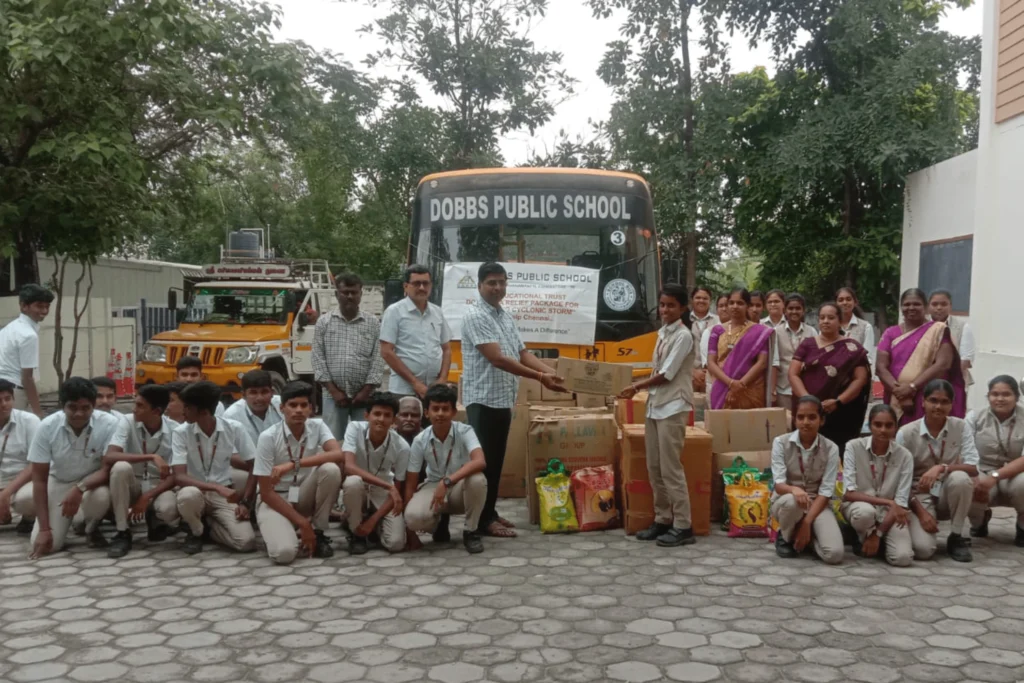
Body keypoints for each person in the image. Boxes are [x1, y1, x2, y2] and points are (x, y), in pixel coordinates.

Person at [460, 262, 566, 538]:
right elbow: (497, 358)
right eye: (491, 283)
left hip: (502, 399)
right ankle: (481, 521)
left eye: (502, 282)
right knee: (483, 463)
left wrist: (556, 373)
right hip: (482, 401)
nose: (497, 288)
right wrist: (541, 379)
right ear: (480, 285)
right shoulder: (475, 315)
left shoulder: (504, 316)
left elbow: (522, 352)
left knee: (496, 461)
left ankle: (490, 512)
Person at [618, 284, 696, 547]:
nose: (665, 310)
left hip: (673, 407)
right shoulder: (663, 333)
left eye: (671, 305)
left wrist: (635, 386)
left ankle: (683, 525)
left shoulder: (684, 336)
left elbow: (667, 374)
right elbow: (656, 369)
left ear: (683, 308)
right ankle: (663, 519)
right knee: (654, 467)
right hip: (655, 405)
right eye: (662, 304)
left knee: (671, 469)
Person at [26, 377, 129, 558]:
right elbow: (39, 479)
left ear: (93, 405)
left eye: (85, 408)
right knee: (48, 545)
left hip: (93, 484)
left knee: (101, 497)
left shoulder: (109, 424)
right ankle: (73, 521)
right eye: (72, 407)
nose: (79, 414)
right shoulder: (47, 427)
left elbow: (106, 470)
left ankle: (91, 527)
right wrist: (44, 529)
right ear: (62, 406)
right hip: (59, 481)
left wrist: (79, 488)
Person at [253, 381, 342, 563]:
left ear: (311, 408)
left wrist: (293, 464)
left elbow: (337, 453)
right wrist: (303, 523)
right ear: (282, 408)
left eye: (304, 405)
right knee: (284, 554)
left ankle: (318, 532)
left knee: (331, 469)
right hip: (275, 500)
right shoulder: (268, 437)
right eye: (293, 405)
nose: (299, 410)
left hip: (302, 495)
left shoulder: (317, 426)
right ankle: (297, 528)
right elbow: (266, 493)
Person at [170, 381, 257, 554]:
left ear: (203, 411)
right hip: (196, 492)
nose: (183, 412)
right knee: (188, 495)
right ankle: (195, 532)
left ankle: (209, 528)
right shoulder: (181, 432)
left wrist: (246, 502)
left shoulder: (234, 428)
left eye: (187, 407)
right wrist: (215, 487)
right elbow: (179, 477)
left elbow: (255, 466)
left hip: (222, 495)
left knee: (245, 542)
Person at [896, 379, 977, 562]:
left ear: (951, 405)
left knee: (961, 478)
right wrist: (921, 512)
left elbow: (973, 468)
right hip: (918, 495)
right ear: (922, 402)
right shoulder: (906, 433)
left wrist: (942, 467)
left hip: (948, 491)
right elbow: (899, 482)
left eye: (944, 402)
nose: (938, 406)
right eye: (933, 400)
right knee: (923, 550)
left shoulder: (960, 426)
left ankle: (956, 537)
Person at [404, 384, 488, 553]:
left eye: (445, 409)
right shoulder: (420, 440)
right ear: (427, 413)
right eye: (435, 409)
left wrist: (447, 481)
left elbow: (480, 461)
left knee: (478, 479)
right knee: (413, 518)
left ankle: (471, 531)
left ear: (453, 412)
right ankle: (439, 522)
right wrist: (409, 531)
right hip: (433, 486)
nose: (440, 414)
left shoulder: (465, 431)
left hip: (458, 487)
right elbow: (411, 482)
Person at [101, 384, 181, 558]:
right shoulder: (127, 421)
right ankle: (123, 532)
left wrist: (147, 496)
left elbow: (177, 475)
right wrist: (149, 457)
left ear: (156, 411)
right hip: (132, 483)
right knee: (121, 467)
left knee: (168, 509)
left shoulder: (176, 430)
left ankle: (156, 520)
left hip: (158, 485)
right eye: (135, 403)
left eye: (140, 405)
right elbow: (110, 456)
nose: (134, 409)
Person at [769, 396, 844, 564]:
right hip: (787, 502)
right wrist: (794, 489)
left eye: (812, 417)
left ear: (821, 420)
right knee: (791, 501)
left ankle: (806, 539)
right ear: (795, 420)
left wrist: (807, 522)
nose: (806, 422)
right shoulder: (781, 443)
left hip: (817, 504)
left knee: (835, 554)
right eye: (801, 417)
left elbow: (825, 492)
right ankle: (786, 537)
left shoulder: (831, 448)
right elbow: (779, 485)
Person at [789, 303, 870, 456]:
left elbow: (860, 379)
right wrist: (807, 399)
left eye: (831, 318)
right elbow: (793, 374)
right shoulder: (807, 344)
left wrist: (838, 401)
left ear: (840, 321)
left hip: (839, 412)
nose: (825, 321)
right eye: (822, 317)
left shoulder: (852, 348)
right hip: (808, 411)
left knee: (837, 451)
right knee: (805, 450)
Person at [877, 288, 966, 426]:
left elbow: (943, 364)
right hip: (896, 397)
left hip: (927, 396)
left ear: (925, 307)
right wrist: (900, 393)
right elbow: (881, 367)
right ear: (901, 308)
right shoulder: (891, 333)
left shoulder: (938, 330)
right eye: (906, 304)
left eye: (916, 304)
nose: (911, 307)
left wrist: (912, 387)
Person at [312, 273, 385, 438]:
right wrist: (334, 391)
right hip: (332, 396)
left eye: (354, 292)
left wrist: (366, 391)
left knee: (364, 441)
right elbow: (318, 358)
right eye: (345, 292)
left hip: (365, 396)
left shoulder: (373, 323)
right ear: (337, 294)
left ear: (361, 294)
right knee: (333, 442)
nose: (350, 296)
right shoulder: (324, 322)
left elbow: (379, 359)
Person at [841, 405, 914, 566]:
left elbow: (900, 502)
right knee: (864, 513)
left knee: (902, 558)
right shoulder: (853, 447)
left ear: (896, 427)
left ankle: (874, 540)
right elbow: (849, 493)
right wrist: (888, 502)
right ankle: (860, 536)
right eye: (878, 424)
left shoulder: (905, 456)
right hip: (859, 507)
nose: (883, 430)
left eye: (889, 425)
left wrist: (878, 534)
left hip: (890, 514)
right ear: (869, 425)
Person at [340, 392, 409, 555]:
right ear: (366, 415)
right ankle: (356, 534)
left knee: (396, 544)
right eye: (376, 414)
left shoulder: (402, 446)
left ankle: (371, 526)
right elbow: (348, 467)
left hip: (382, 493)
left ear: (394, 420)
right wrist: (388, 486)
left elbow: (396, 489)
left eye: (387, 415)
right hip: (359, 490)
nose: (381, 419)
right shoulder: (354, 428)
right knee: (353, 482)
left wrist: (373, 521)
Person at [967, 375, 1024, 547]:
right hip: (982, 470)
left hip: (1015, 474)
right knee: (967, 483)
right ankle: (980, 520)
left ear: (1017, 397)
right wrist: (976, 476)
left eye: (1006, 394)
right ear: (988, 396)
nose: (1000, 399)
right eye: (994, 394)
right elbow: (965, 451)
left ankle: (1022, 525)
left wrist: (995, 476)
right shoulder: (975, 417)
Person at [380, 265, 452, 398]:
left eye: (425, 283)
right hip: (404, 390)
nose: (422, 288)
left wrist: (442, 379)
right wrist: (415, 383)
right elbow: (386, 352)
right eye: (416, 283)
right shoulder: (394, 312)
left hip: (433, 389)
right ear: (406, 286)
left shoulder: (437, 312)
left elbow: (447, 349)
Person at [706, 288, 775, 409]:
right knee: (723, 426)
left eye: (740, 303)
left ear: (747, 305)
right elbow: (711, 363)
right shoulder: (717, 331)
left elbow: (762, 363)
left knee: (750, 425)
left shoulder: (759, 332)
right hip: (722, 387)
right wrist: (731, 383)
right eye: (731, 303)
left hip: (751, 389)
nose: (735, 306)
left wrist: (740, 384)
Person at [223, 369, 281, 493]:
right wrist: (263, 468)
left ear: (272, 392)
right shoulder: (231, 415)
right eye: (253, 393)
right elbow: (232, 456)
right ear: (243, 395)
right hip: (249, 467)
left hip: (284, 463)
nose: (259, 398)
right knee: (237, 478)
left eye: (264, 392)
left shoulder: (283, 405)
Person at [0, 284, 54, 416]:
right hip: (14, 392)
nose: (44, 311)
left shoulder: (10, 328)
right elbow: (27, 378)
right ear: (24, 306)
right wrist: (38, 412)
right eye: (39, 306)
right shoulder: (28, 335)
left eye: (47, 306)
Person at [0, 379, 41, 535]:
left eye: (8, 399)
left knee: (29, 498)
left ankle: (29, 519)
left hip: (23, 481)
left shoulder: (30, 421)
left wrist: (6, 493)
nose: (4, 404)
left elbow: (36, 464)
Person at [772, 294, 817, 412]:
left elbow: (817, 357)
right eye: (790, 308)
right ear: (784, 311)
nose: (794, 311)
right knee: (785, 423)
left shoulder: (811, 331)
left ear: (803, 311)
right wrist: (773, 390)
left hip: (806, 386)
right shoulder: (776, 331)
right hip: (783, 387)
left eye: (798, 308)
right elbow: (774, 361)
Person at [928, 290, 975, 389]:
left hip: (954, 382)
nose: (939, 308)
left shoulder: (962, 327)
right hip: (925, 380)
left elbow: (965, 360)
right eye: (934, 304)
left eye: (944, 304)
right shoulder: (923, 326)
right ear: (928, 306)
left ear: (950, 306)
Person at [836, 287, 876, 366]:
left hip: (857, 373)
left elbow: (867, 357)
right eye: (840, 300)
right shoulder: (830, 326)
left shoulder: (865, 327)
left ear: (855, 302)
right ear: (836, 304)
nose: (844, 302)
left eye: (848, 299)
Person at [689, 287, 717, 394]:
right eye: (698, 298)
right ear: (692, 300)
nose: (701, 301)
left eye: (705, 298)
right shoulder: (684, 320)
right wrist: (693, 372)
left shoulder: (717, 321)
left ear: (710, 301)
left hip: (712, 375)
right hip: (689, 375)